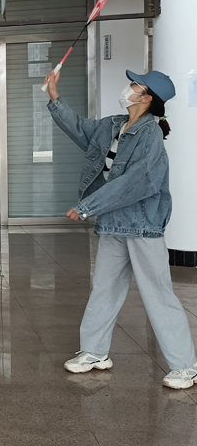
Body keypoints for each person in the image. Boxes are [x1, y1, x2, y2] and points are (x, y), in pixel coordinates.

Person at [44, 68, 196, 389]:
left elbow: (137, 181)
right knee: (105, 288)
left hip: (141, 225)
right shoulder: (113, 125)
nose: (128, 88)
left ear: (147, 98)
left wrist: (88, 206)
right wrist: (54, 97)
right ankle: (95, 352)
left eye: (134, 85)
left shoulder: (150, 135)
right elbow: (80, 129)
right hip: (113, 222)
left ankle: (185, 366)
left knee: (157, 294)